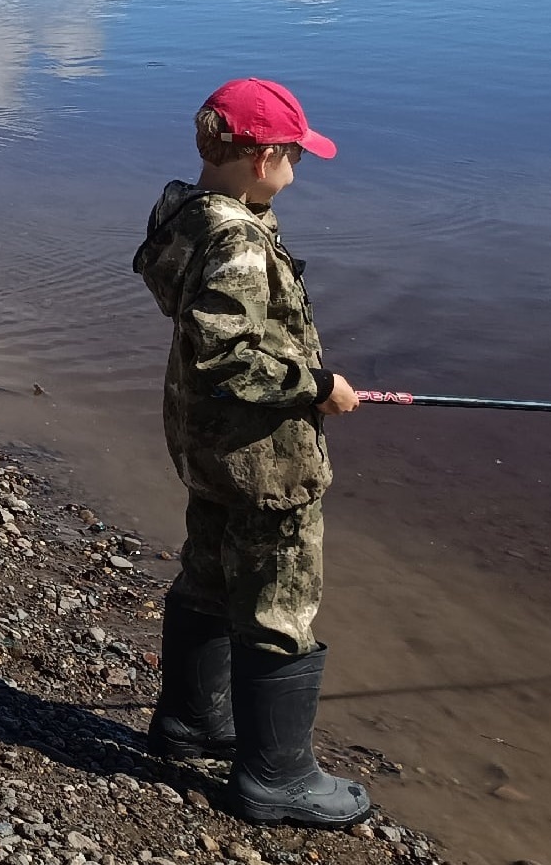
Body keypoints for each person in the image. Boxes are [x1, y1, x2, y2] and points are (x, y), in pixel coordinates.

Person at [135, 79, 370, 829]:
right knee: (281, 599)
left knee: (209, 568)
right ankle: (277, 776)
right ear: (263, 157)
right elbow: (230, 360)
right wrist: (319, 385)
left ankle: (193, 721)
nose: (299, 168)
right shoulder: (238, 241)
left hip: (204, 446)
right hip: (262, 458)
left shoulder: (188, 211)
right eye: (296, 155)